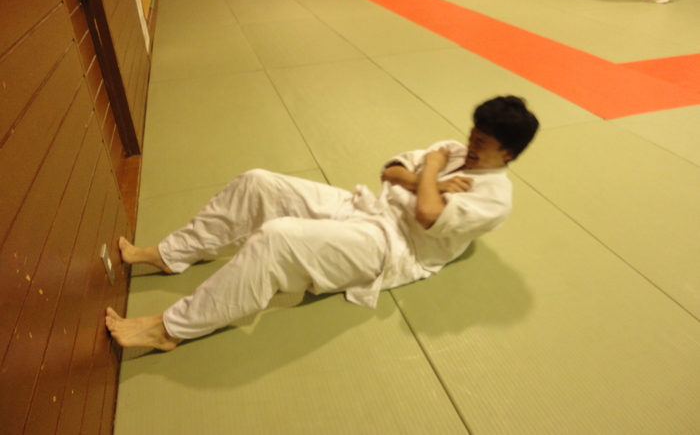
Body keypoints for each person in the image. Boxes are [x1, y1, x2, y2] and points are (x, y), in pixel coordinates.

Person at [106, 96, 539, 351]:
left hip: (391, 247)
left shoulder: (494, 199)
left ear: (508, 154)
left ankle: (169, 329)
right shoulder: (452, 152)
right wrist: (431, 181)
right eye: (472, 134)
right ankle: (171, 255)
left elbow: (426, 214)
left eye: (481, 142)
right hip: (366, 207)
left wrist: (430, 174)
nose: (468, 144)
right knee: (258, 182)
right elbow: (390, 171)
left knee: (275, 240)